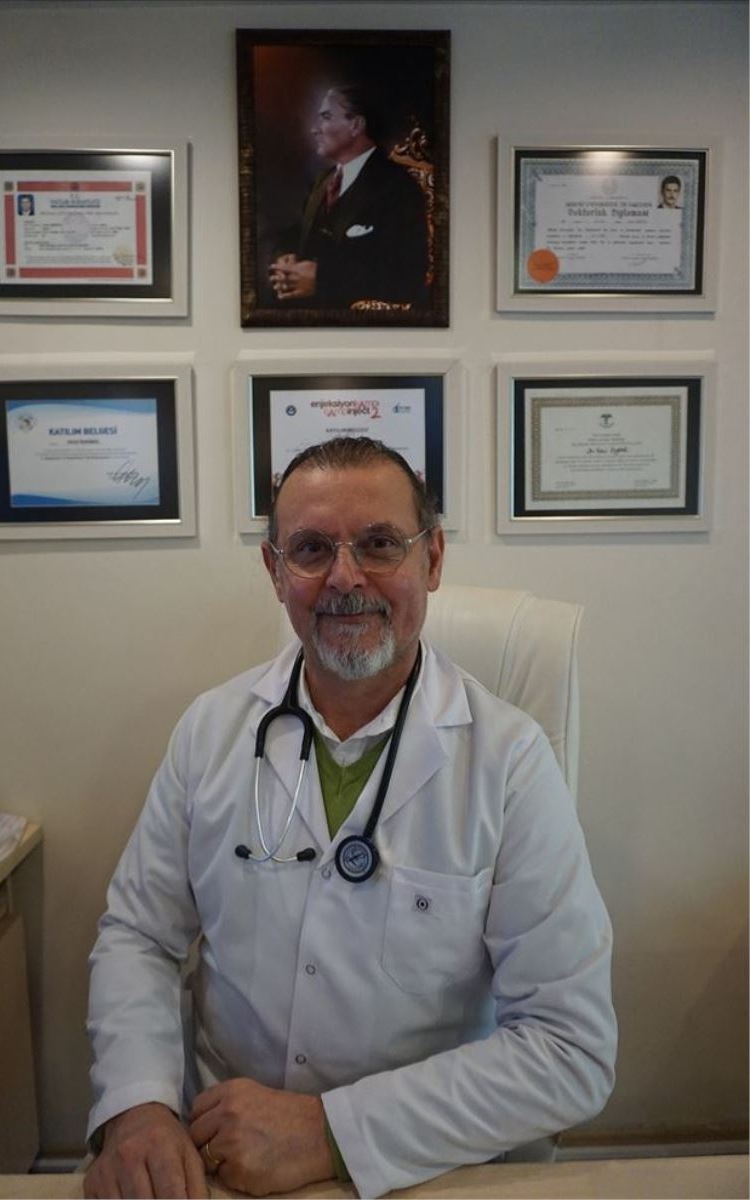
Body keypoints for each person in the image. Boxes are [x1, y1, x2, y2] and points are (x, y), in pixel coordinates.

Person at [84, 437, 616, 1200]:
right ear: (275, 571)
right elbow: (140, 935)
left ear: (432, 559)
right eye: (310, 549)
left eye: (379, 544)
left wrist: (331, 1131)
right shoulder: (211, 732)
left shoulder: (510, 763)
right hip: (218, 1155)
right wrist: (139, 1106)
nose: (344, 577)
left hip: (423, 1168)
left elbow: (570, 1048)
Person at [268, 85, 429, 309]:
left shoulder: (398, 187)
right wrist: (285, 258)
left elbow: (407, 276)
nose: (315, 129)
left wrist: (322, 280)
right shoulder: (323, 181)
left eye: (326, 117)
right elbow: (296, 233)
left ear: (356, 125)